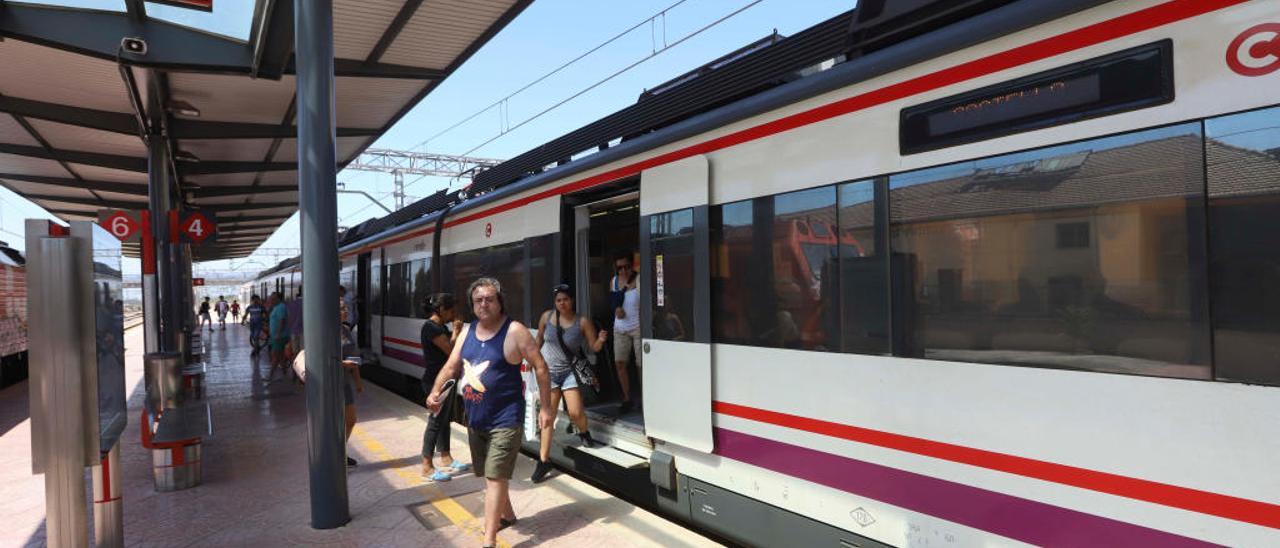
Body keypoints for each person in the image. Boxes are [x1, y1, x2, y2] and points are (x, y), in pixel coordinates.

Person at [427, 278, 552, 548]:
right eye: (478, 300)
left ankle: (489, 539)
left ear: (500, 302)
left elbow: (541, 367)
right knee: (490, 473)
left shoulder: (515, 331)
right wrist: (435, 393)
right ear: (472, 305)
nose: (484, 303)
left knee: (495, 477)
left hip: (506, 418)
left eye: (489, 299)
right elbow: (450, 368)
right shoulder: (466, 333)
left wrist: (547, 408)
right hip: (476, 419)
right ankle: (508, 515)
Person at [531, 283, 607, 483]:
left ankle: (584, 432)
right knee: (548, 417)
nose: (562, 303)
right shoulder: (546, 317)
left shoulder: (582, 322)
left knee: (575, 412)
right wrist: (532, 360)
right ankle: (543, 460)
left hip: (570, 372)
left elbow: (593, 347)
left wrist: (600, 340)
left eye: (565, 299)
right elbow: (539, 339)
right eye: (558, 300)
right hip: (549, 374)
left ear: (572, 300)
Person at [419, 293, 468, 482]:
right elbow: (451, 351)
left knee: (444, 419)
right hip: (434, 382)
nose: (454, 315)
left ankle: (445, 457)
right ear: (441, 310)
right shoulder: (431, 328)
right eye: (451, 311)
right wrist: (456, 330)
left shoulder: (438, 327)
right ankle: (426, 466)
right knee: (435, 422)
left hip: (445, 380)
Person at [610, 252, 641, 413]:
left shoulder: (639, 279)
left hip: (638, 327)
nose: (623, 271)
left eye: (626, 267)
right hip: (620, 328)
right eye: (619, 268)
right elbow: (613, 302)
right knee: (620, 363)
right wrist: (616, 309)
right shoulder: (614, 281)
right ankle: (627, 398)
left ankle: (644, 397)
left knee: (640, 365)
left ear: (631, 266)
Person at [340, 298, 363, 468]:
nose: (346, 311)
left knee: (351, 419)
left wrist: (358, 381)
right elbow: (321, 360)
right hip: (331, 384)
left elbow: (354, 356)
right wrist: (342, 364)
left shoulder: (346, 330)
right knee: (333, 422)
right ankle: (336, 454)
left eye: (345, 308)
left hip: (345, 381)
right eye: (341, 308)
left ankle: (341, 450)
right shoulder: (324, 332)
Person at [267, 292, 291, 381]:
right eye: (271, 298)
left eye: (273, 299)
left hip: (279, 337)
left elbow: (282, 321)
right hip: (277, 336)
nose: (271, 300)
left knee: (275, 356)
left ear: (279, 299)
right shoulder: (276, 307)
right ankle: (285, 374)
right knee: (280, 357)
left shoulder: (281, 307)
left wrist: (278, 333)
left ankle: (270, 376)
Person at [287, 289, 304, 359]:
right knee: (303, 351)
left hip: (293, 330)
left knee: (295, 351)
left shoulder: (292, 303)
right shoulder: (307, 303)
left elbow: (289, 318)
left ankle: (295, 367)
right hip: (303, 331)